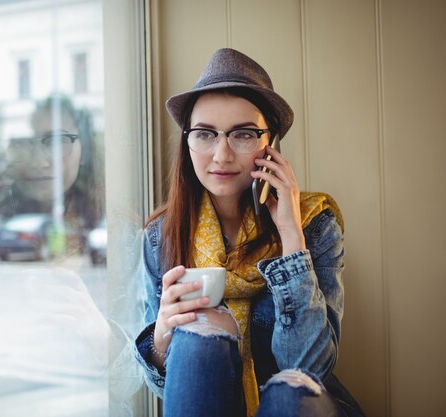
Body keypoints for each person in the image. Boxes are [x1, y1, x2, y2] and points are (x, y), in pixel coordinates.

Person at [134, 48, 365, 417]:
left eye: (243, 134)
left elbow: (308, 369)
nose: (221, 155)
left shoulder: (315, 224)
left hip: (298, 406)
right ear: (187, 141)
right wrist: (163, 331)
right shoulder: (160, 237)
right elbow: (163, 385)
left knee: (290, 394)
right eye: (205, 134)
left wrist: (291, 235)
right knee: (197, 341)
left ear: (270, 144)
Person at [0, 95, 103, 253]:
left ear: (84, 149)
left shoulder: (106, 209)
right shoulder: (2, 203)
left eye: (58, 141)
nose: (39, 162)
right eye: (25, 144)